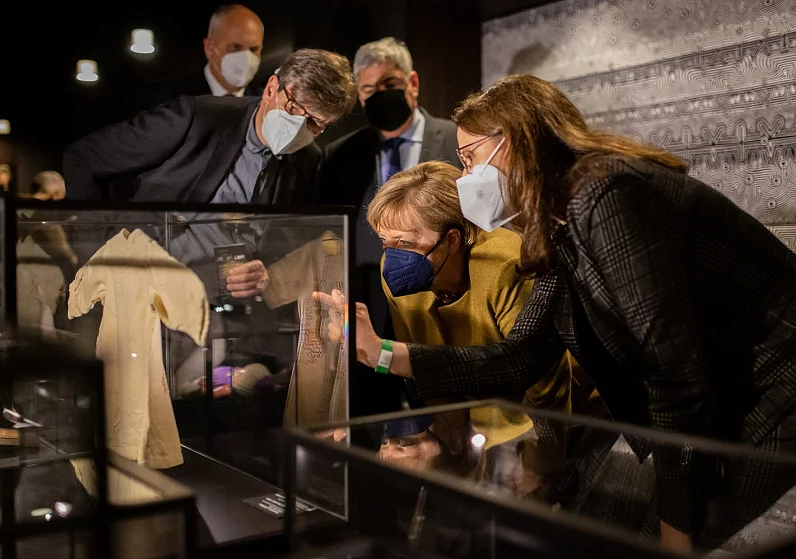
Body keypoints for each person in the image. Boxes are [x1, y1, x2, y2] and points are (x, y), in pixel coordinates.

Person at [352, 74, 796, 553]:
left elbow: (673, 371)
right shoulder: (558, 221)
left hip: (777, 383)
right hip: (723, 394)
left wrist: (676, 525)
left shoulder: (605, 196)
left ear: (516, 143)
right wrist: (382, 355)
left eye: (468, 158)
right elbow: (521, 357)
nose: (463, 179)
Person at [365, 161, 603, 420]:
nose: (391, 257)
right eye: (384, 241)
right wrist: (451, 441)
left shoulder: (510, 266)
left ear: (452, 240)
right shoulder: (396, 274)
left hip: (569, 420)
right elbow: (421, 367)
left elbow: (545, 390)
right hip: (479, 428)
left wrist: (533, 458)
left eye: (404, 242)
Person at [318, 37, 461, 418]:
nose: (380, 96)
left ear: (412, 83)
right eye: (368, 90)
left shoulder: (457, 139)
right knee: (372, 414)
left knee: (442, 413)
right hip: (369, 306)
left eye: (390, 86)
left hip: (439, 302)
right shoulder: (340, 154)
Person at [63, 48, 357, 204]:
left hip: (234, 304)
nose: (299, 126)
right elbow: (84, 158)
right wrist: (100, 244)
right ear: (271, 88)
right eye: (294, 107)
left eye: (316, 122)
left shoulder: (308, 160)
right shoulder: (196, 117)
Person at [136, 4, 265, 112]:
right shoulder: (165, 99)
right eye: (235, 47)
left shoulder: (265, 103)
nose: (246, 58)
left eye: (254, 49)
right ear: (209, 48)